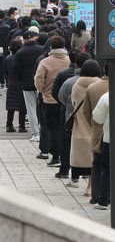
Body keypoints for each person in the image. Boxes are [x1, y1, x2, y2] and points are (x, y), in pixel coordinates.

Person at [34, 35, 71, 167]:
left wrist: (43, 90)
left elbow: (38, 80)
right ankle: (67, 155)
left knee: (52, 128)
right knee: (66, 128)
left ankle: (56, 156)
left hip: (49, 100)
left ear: (51, 47)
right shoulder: (69, 60)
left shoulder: (45, 62)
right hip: (66, 101)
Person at [67, 60, 101, 190]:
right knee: (95, 158)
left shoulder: (76, 85)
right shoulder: (99, 85)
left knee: (78, 156)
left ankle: (75, 179)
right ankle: (91, 185)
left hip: (79, 125)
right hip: (96, 125)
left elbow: (73, 102)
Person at [56, 52, 90, 179]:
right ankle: (88, 172)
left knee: (68, 145)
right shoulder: (97, 82)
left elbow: (61, 97)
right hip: (91, 120)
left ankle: (66, 170)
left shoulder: (69, 82)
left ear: (75, 64)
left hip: (71, 117)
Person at [82, 64, 109, 203]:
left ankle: (96, 195)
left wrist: (93, 125)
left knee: (97, 164)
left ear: (104, 70)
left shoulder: (92, 88)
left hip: (98, 131)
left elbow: (85, 111)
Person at [13, 30, 43, 141]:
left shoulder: (20, 52)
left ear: (24, 40)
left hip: (26, 84)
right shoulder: (41, 49)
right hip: (40, 84)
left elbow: (16, 70)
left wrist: (21, 81)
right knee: (41, 108)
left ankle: (35, 133)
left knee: (31, 109)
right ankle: (42, 130)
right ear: (35, 38)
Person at [4, 39, 26, 133]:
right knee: (22, 106)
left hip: (11, 83)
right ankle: (22, 126)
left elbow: (5, 72)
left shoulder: (8, 59)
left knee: (11, 106)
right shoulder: (22, 59)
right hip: (21, 83)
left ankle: (9, 125)